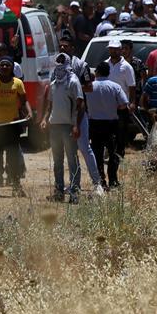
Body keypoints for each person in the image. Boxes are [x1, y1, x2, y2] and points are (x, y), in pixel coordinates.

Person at [0, 57, 31, 197]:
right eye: (1, 65)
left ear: (12, 67)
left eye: (7, 65)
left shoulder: (18, 83)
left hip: (12, 125)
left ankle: (16, 186)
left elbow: (24, 101)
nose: (4, 67)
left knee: (13, 157)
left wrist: (29, 113)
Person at [41, 54, 84, 204]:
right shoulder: (54, 83)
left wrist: (76, 125)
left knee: (72, 160)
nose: (59, 64)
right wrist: (45, 119)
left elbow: (80, 105)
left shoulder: (73, 82)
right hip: (55, 127)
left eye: (61, 61)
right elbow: (50, 105)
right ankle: (59, 192)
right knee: (57, 161)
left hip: (68, 127)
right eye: (57, 62)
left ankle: (74, 192)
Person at [59, 33, 100, 187]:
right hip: (62, 114)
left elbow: (89, 88)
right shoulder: (57, 64)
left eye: (66, 46)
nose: (63, 48)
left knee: (84, 148)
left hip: (79, 112)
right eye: (61, 46)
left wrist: (72, 89)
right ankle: (74, 183)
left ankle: (97, 183)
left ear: (72, 48)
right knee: (69, 151)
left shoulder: (81, 65)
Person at [87, 62, 129, 191]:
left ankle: (100, 180)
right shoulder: (115, 87)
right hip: (111, 124)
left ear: (96, 72)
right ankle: (113, 180)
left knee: (97, 153)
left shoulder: (89, 87)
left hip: (94, 124)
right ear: (109, 73)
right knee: (113, 153)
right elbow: (123, 104)